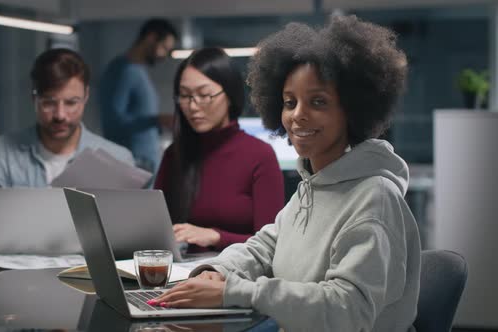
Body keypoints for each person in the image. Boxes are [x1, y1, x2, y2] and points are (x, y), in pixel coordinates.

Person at [150, 15, 421, 332]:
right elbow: (263, 247)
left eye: (318, 101)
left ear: (353, 109)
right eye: (289, 102)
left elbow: (348, 311)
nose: (297, 116)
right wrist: (217, 271)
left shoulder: (374, 199)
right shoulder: (313, 185)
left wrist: (234, 292)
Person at [0, 48, 134, 255]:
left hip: (90, 285)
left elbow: (132, 242)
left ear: (86, 96)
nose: (60, 115)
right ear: (33, 97)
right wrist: (47, 234)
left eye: (71, 102)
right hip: (18, 283)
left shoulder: (117, 159)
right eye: (49, 102)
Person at [154, 47, 284, 253]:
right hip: (182, 274)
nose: (193, 106)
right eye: (185, 96)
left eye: (204, 95)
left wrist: (216, 237)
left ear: (230, 94)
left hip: (238, 276)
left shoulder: (259, 155)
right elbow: (155, 230)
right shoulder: (174, 155)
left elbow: (272, 246)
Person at [99, 18, 178, 173]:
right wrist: (157, 120)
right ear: (150, 37)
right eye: (164, 48)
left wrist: (160, 124)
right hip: (131, 164)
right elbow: (113, 122)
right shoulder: (122, 70)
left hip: (145, 164)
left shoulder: (139, 72)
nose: (164, 56)